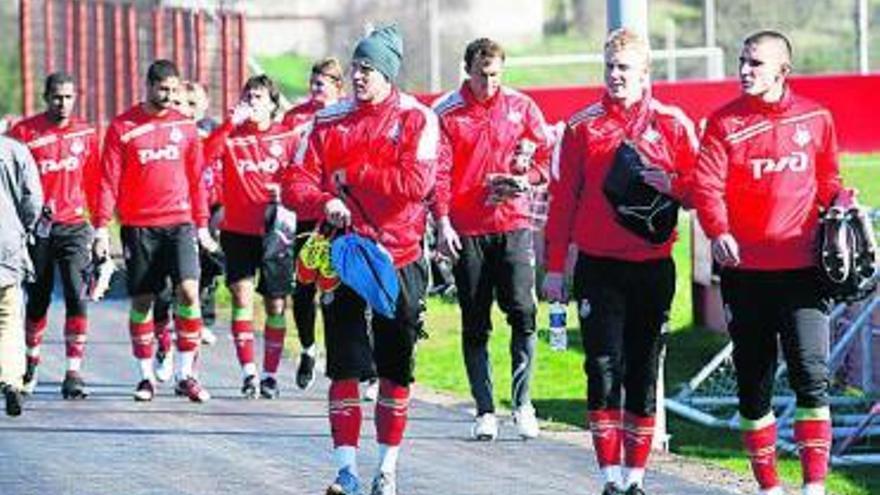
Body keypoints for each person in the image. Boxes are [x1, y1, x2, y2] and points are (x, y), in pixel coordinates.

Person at [693, 30, 850, 495]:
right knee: (753, 386)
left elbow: (829, 180)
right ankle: (768, 488)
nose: (744, 70)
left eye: (755, 63)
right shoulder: (723, 122)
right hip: (745, 275)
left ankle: (814, 488)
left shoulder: (817, 118)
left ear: (783, 70)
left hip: (803, 272)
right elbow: (707, 187)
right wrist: (719, 230)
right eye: (742, 61)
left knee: (811, 379)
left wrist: (842, 203)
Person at [283, 25, 438, 495]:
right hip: (344, 256)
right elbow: (293, 183)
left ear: (388, 72)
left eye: (368, 68)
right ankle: (345, 471)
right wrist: (322, 201)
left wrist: (355, 175)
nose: (358, 76)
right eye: (355, 66)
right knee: (345, 365)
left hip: (399, 256)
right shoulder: (327, 121)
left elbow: (417, 184)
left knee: (395, 370)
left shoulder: (418, 119)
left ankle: (387, 468)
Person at [542, 28, 698, 495]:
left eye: (625, 68)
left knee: (643, 370)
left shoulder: (672, 123)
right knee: (603, 366)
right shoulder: (580, 127)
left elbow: (697, 189)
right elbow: (563, 200)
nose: (615, 76)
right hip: (598, 267)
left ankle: (635, 479)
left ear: (645, 74)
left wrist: (669, 182)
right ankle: (610, 478)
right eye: (609, 67)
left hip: (653, 266)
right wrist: (554, 268)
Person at [432, 37, 552, 440]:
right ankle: (484, 410)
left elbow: (546, 158)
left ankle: (522, 404)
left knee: (522, 311)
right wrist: (443, 223)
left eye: (497, 75)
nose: (490, 84)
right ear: (467, 70)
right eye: (482, 76)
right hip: (468, 231)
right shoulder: (447, 113)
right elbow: (439, 174)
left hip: (513, 224)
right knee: (475, 321)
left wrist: (526, 179)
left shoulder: (522, 107)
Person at [93, 59, 214, 403]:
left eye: (174, 90)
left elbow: (196, 181)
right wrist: (101, 228)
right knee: (143, 300)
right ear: (147, 86)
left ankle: (186, 373)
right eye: (162, 89)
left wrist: (203, 225)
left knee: (189, 292)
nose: (168, 95)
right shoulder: (122, 127)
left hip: (180, 223)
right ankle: (145, 376)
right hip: (139, 226)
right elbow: (107, 181)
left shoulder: (186, 127)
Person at [203, 74, 298, 399]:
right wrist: (229, 123)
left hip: (275, 232)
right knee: (242, 298)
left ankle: (270, 374)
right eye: (248, 96)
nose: (253, 103)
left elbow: (301, 175)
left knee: (275, 304)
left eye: (259, 97)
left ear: (273, 104)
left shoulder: (287, 136)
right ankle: (249, 373)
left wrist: (282, 191)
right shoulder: (231, 136)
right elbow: (204, 156)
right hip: (237, 230)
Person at [7, 73, 99, 399]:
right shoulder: (24, 134)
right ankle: (31, 362)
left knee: (77, 294)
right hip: (38, 230)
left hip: (74, 226)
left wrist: (100, 228)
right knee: (39, 299)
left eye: (69, 97)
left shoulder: (86, 133)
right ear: (46, 97)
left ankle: (73, 371)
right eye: (57, 97)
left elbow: (94, 182)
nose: (63, 104)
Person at [151, 81, 223, 384]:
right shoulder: (162, 136)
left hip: (196, 220)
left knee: (190, 293)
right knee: (162, 292)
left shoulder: (206, 134)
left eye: (193, 105)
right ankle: (163, 345)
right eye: (182, 104)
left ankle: (189, 369)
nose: (186, 111)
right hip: (160, 221)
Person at [281, 57, 345, 390]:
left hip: (344, 217)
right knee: (304, 289)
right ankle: (308, 347)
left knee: (341, 290)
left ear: (338, 87)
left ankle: (353, 362)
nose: (315, 89)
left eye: (322, 83)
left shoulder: (346, 114)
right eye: (313, 82)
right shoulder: (296, 117)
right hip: (309, 215)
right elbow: (285, 162)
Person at [0, 134, 42, 416]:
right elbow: (33, 200)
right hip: (6, 245)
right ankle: (11, 380)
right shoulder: (15, 151)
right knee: (8, 318)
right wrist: (21, 229)